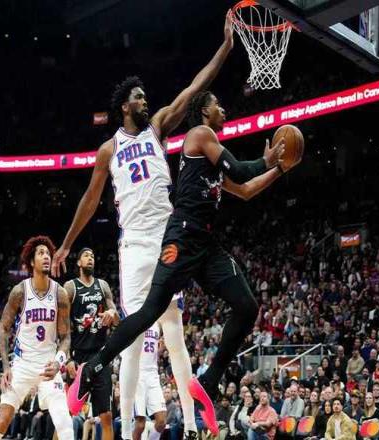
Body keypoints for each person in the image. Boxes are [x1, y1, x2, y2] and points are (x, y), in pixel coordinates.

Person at [51, 13, 241, 440]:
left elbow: (193, 88)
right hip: (134, 244)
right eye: (138, 97)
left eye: (144, 96)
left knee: (174, 332)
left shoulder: (159, 128)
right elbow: (90, 200)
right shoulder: (109, 149)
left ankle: (190, 426)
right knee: (133, 337)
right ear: (125, 106)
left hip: (169, 236)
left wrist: (226, 48)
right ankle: (121, 431)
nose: (145, 101)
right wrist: (66, 244)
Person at [67, 85, 287, 435]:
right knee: (148, 315)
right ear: (205, 112)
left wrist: (279, 170)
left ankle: (207, 384)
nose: (224, 110)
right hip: (179, 240)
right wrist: (270, 161)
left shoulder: (209, 155)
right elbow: (240, 170)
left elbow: (245, 190)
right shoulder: (200, 135)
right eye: (218, 105)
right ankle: (94, 368)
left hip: (204, 245)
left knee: (247, 307)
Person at [0, 236, 73, 440]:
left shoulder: (59, 294)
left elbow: (66, 337)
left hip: (48, 366)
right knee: (3, 422)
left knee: (65, 424)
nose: (46, 257)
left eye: (48, 254)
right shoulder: (20, 292)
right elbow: (3, 327)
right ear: (32, 261)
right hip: (22, 364)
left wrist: (58, 362)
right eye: (41, 253)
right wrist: (6, 366)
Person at [64, 247, 119, 440]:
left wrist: (112, 313)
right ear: (79, 262)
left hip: (100, 357)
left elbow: (117, 319)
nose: (90, 258)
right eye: (86, 256)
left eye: (93, 256)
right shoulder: (70, 287)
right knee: (66, 415)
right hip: (78, 357)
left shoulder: (102, 286)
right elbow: (62, 326)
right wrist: (67, 359)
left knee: (106, 416)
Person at [132, 323, 166, 440]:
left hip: (153, 375)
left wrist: (160, 349)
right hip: (138, 374)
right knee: (140, 425)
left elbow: (151, 352)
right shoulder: (137, 319)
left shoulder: (158, 324)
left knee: (161, 422)